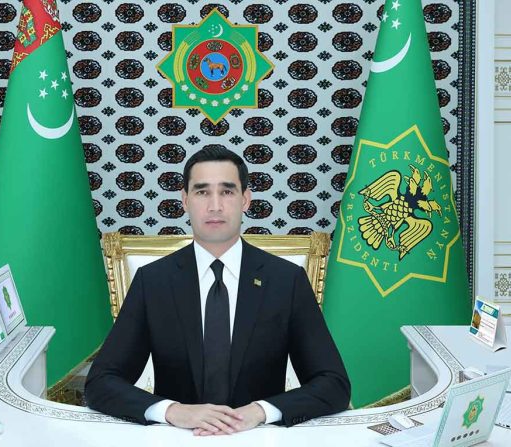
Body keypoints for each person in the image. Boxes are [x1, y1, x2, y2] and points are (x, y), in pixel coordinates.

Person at [85, 147, 350, 435]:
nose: (215, 206)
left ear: (245, 199)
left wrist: (260, 411)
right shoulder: (153, 281)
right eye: (202, 192)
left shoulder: (286, 281)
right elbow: (101, 382)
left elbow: (333, 384)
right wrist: (172, 411)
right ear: (185, 200)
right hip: (178, 438)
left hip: (257, 437)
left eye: (227, 192)